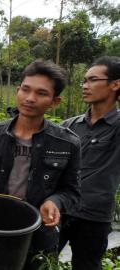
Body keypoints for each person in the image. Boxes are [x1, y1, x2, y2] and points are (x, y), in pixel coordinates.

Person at [0, 60, 81, 270]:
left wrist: (54, 202)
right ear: (18, 91)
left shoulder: (67, 143)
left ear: (55, 101)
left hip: (38, 235)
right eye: (26, 89)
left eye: (41, 93)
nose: (30, 98)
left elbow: (71, 191)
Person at [59, 56, 120, 270]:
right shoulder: (70, 126)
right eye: (84, 80)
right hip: (60, 211)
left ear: (115, 84)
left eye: (93, 80)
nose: (85, 86)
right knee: (36, 261)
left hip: (93, 217)